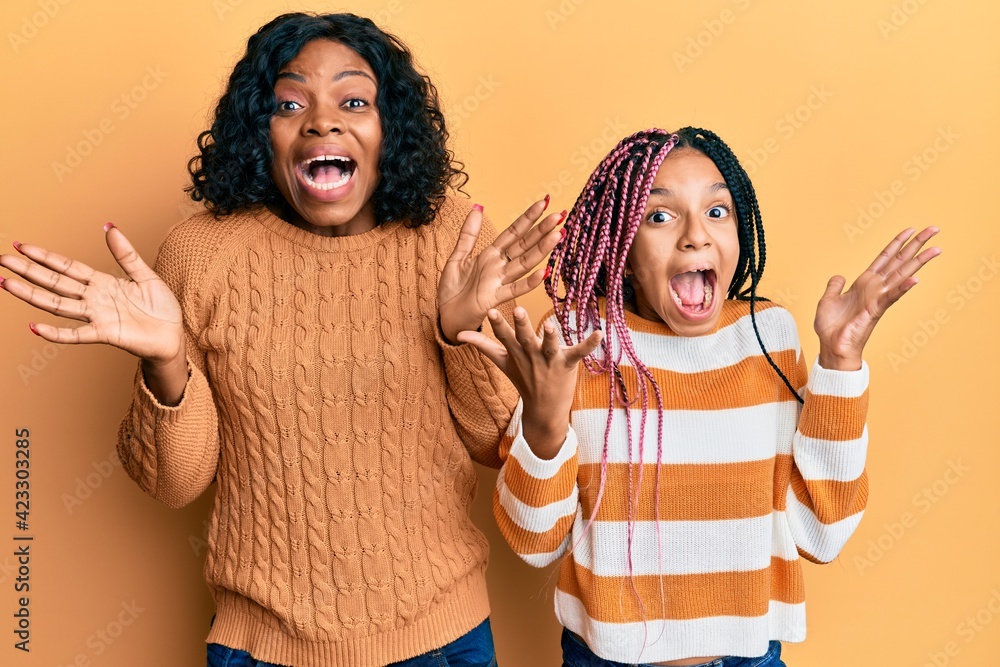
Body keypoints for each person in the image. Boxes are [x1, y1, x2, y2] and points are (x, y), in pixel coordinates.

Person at [0, 12, 564, 667]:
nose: (322, 122)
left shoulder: (445, 241)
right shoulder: (199, 254)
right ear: (259, 133)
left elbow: (500, 446)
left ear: (391, 130)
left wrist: (457, 332)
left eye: (354, 101)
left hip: (439, 639)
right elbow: (174, 484)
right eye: (289, 103)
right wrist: (165, 361)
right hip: (261, 647)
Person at [458, 127, 940, 667]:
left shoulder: (767, 336)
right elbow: (533, 542)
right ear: (621, 244)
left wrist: (840, 360)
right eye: (659, 216)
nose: (695, 236)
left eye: (717, 211)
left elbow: (821, 534)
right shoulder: (577, 338)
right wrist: (545, 425)